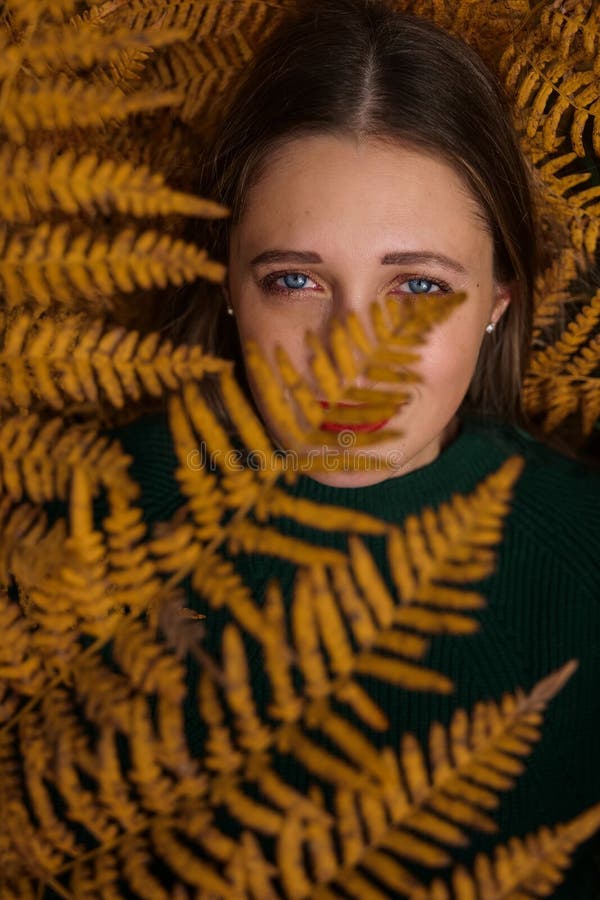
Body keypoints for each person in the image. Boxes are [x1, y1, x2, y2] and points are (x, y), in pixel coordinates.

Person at [104, 0, 600, 896]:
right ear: (226, 284)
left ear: (497, 300)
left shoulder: (583, 563)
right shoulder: (90, 519)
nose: (351, 351)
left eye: (417, 284)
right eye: (295, 279)